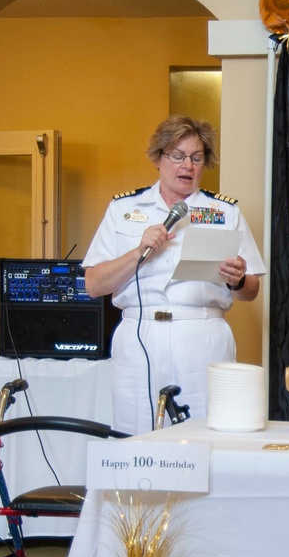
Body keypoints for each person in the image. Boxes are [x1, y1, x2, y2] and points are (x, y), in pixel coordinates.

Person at [83, 115, 266, 435]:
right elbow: (94, 285)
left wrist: (236, 279)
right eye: (178, 156)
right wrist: (138, 251)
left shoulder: (225, 213)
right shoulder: (124, 209)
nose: (188, 166)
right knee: (134, 433)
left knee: (204, 435)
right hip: (140, 335)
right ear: (158, 158)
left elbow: (250, 290)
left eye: (197, 158)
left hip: (201, 335)